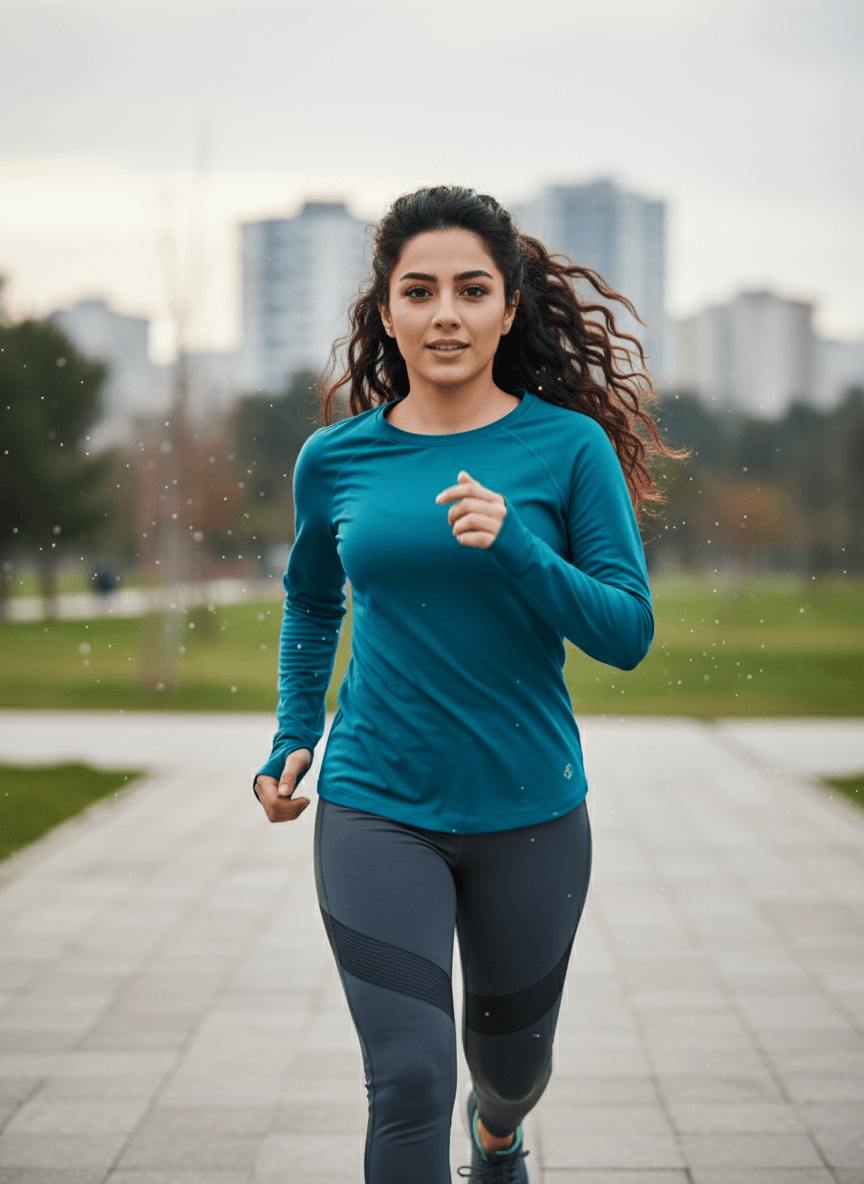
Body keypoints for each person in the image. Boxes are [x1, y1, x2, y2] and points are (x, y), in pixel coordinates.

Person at [253, 185, 679, 1183]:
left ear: (509, 306)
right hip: (375, 803)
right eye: (420, 289)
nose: (445, 312)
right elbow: (314, 601)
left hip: (529, 809)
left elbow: (627, 631)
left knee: (510, 1071)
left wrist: (518, 546)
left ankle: (502, 1135)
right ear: (387, 308)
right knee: (405, 1079)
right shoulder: (336, 460)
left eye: (471, 289)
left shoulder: (568, 448)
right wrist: (290, 733)